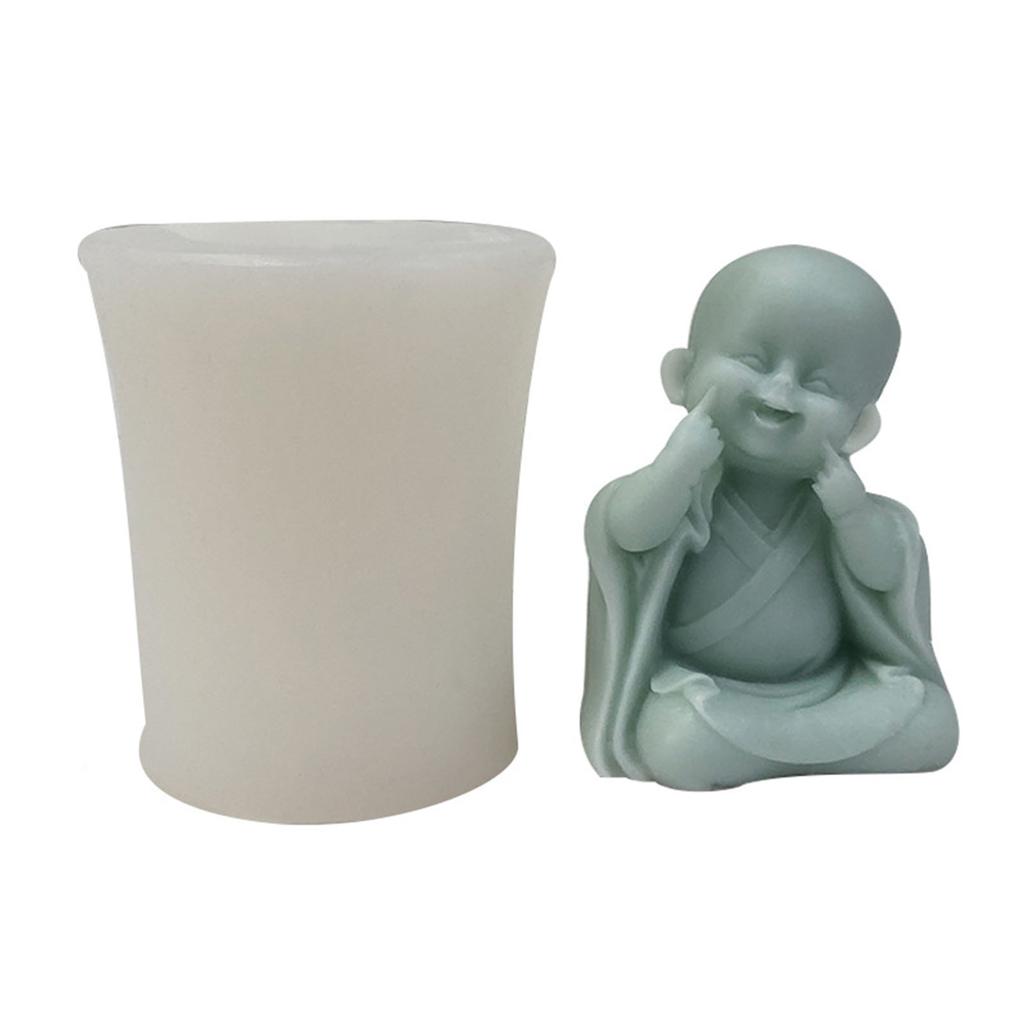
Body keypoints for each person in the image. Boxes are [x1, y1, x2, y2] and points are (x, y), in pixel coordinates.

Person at [581, 245, 958, 789]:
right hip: (709, 693)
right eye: (754, 362)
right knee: (676, 738)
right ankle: (760, 748)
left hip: (831, 688)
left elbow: (885, 576)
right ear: (681, 375)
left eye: (819, 385)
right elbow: (628, 535)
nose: (780, 394)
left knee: (931, 722)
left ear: (858, 428)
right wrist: (675, 468)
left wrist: (852, 515)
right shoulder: (677, 487)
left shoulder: (846, 509)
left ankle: (770, 751)